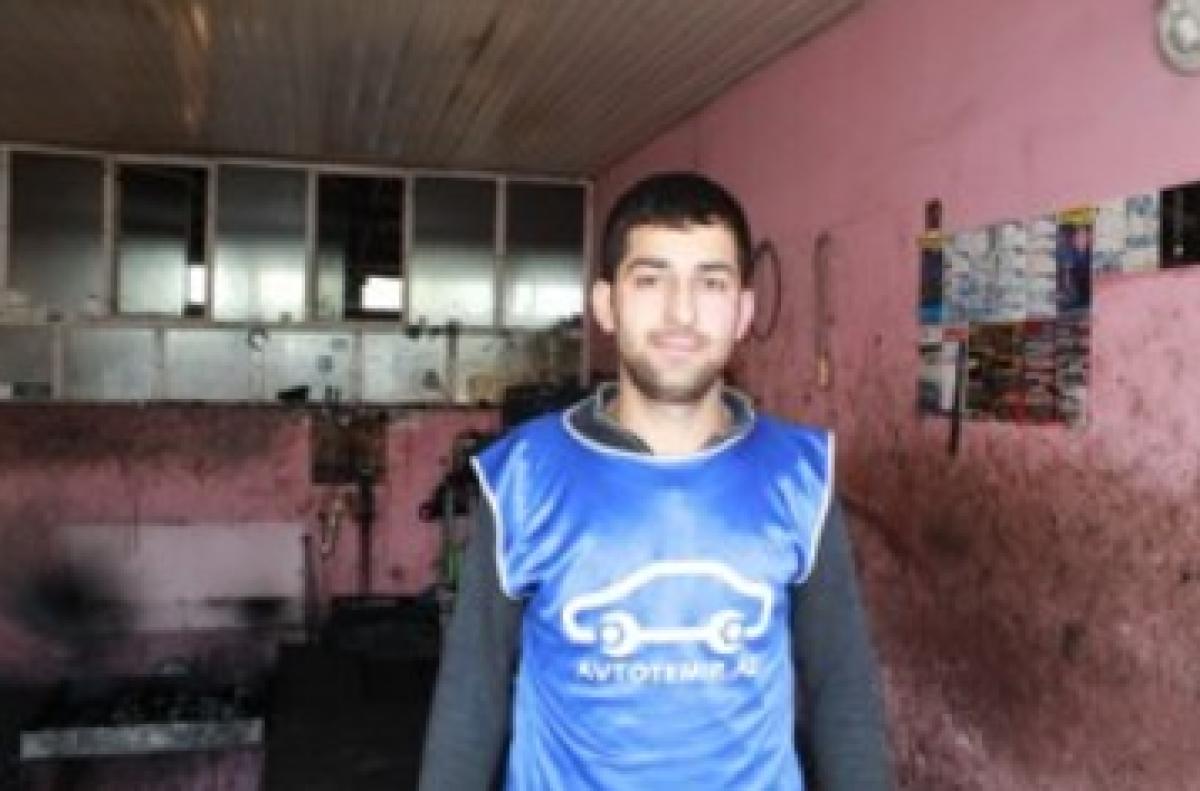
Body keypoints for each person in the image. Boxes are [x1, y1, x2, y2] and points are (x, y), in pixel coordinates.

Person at [419, 172, 892, 790]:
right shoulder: (522, 477)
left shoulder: (800, 475)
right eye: (650, 280)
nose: (681, 313)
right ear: (606, 305)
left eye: (711, 282)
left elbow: (843, 685)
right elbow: (471, 695)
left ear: (744, 311)